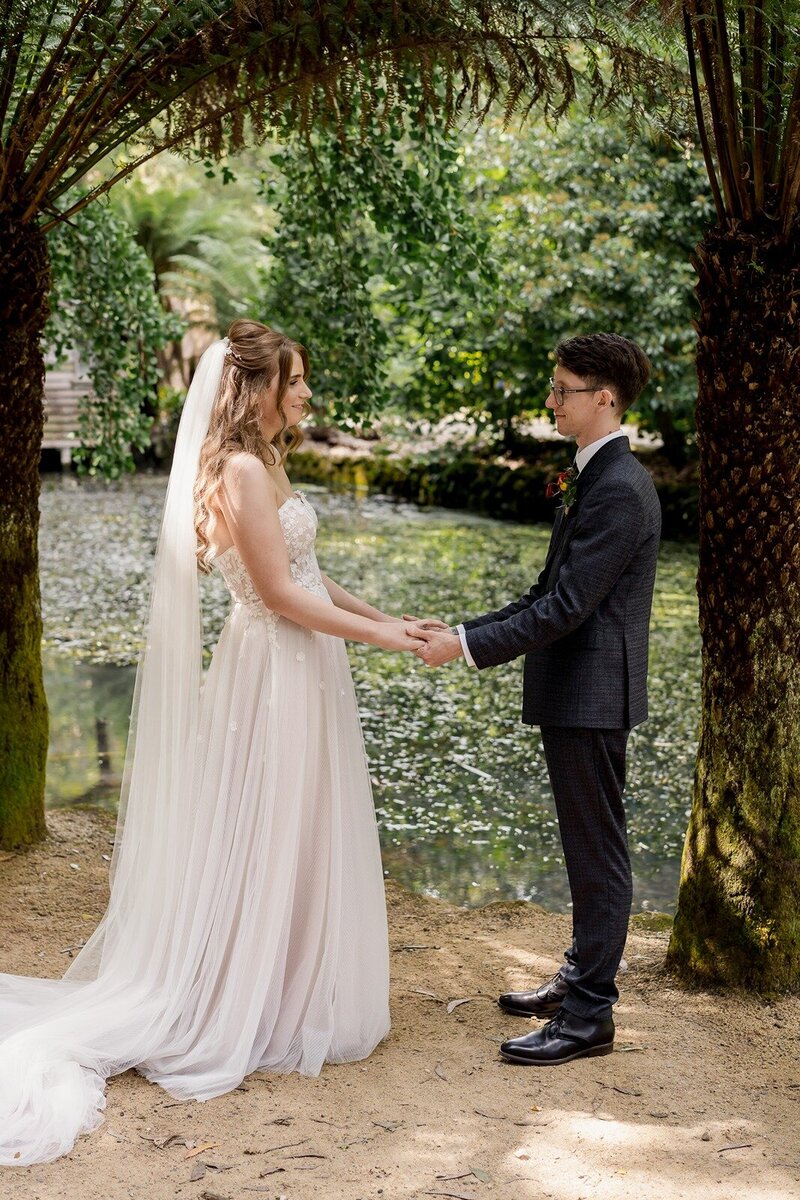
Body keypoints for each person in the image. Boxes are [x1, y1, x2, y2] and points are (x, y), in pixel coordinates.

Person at [0, 319, 424, 1166]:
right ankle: (241, 997)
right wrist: (380, 643)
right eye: (295, 381)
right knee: (265, 822)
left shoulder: (268, 459)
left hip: (308, 663)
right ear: (257, 388)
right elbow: (278, 594)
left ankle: (284, 984)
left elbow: (309, 573)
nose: (306, 394)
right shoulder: (235, 469)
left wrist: (387, 618)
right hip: (271, 668)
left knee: (301, 824)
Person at [410, 333, 661, 1066]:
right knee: (589, 846)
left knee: (599, 854)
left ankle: (589, 1017)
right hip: (576, 691)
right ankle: (580, 979)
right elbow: (543, 593)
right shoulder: (595, 475)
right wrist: (460, 629)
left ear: (604, 398)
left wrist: (464, 648)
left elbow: (569, 609)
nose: (551, 400)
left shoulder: (619, 487)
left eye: (563, 389)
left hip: (591, 693)